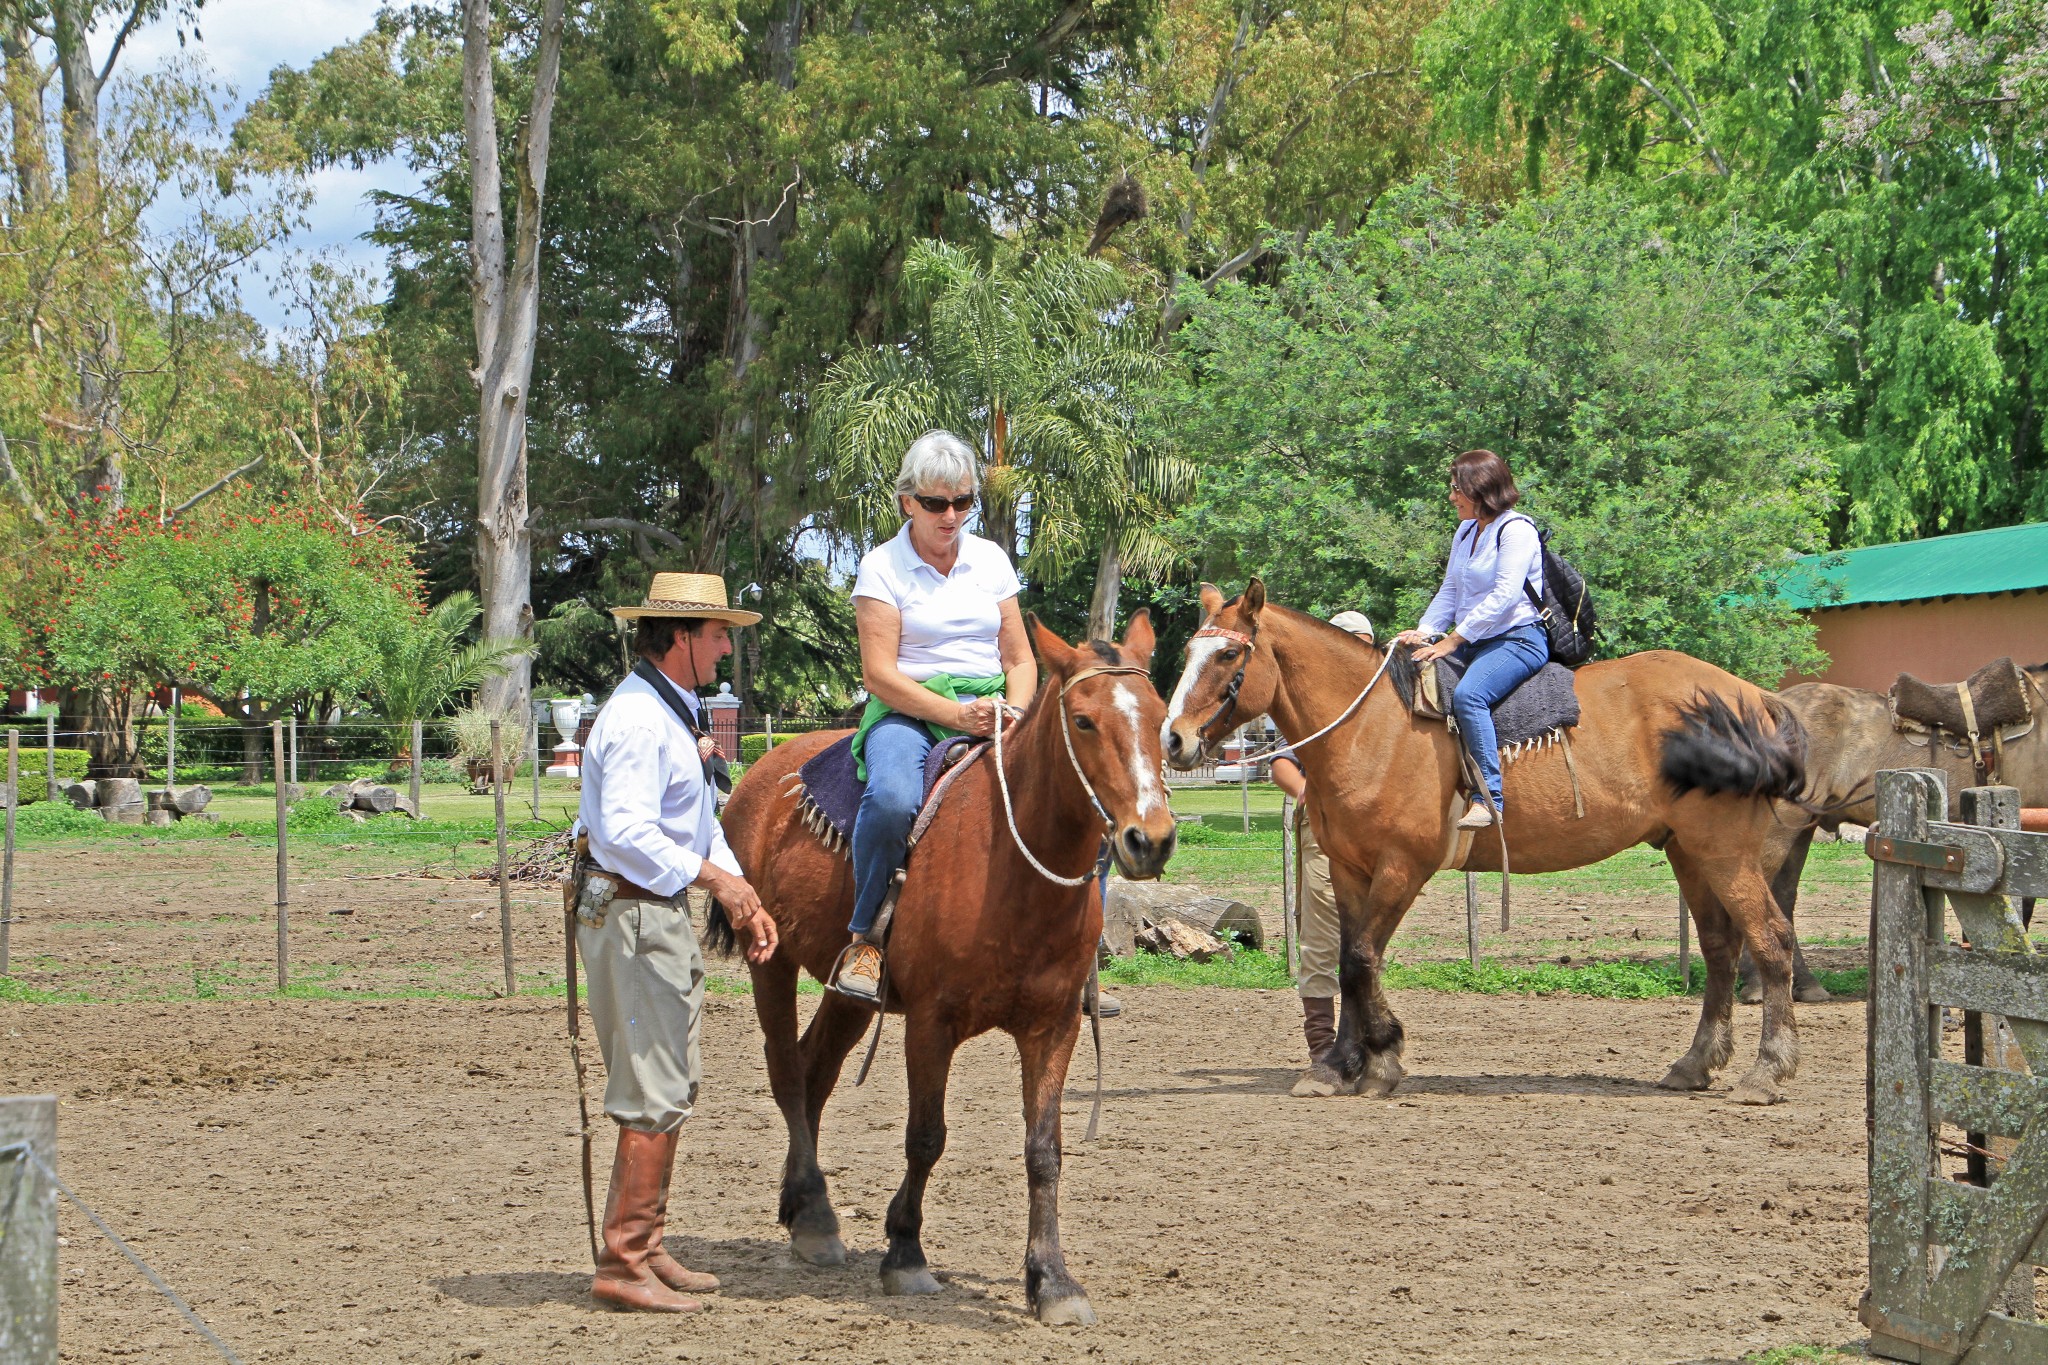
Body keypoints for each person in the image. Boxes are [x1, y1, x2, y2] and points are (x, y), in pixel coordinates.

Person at [574, 571, 780, 1313]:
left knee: (669, 1077)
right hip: (632, 913)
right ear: (682, 638)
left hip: (648, 913)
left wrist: (739, 888)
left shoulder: (665, 708)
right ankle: (624, 1259)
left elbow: (695, 825)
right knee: (654, 1083)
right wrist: (719, 885)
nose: (727, 645)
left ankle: (644, 1245)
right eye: (719, 632)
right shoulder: (637, 721)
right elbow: (623, 833)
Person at [831, 430, 1037, 1002]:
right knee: (894, 797)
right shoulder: (881, 568)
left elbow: (1019, 657)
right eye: (936, 503)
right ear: (907, 502)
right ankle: (866, 938)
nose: (952, 516)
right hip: (911, 708)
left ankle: (1077, 949)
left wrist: (1015, 711)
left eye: (964, 502)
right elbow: (878, 675)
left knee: (1085, 783)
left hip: (996, 705)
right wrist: (954, 713)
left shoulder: (991, 559)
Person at [1393, 449, 1550, 830]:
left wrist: (1452, 641)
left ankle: (1489, 798)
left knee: (1469, 696)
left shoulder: (1517, 531)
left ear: (1480, 489)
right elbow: (1451, 589)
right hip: (1475, 640)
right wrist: (1425, 631)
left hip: (1518, 640)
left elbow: (1505, 597)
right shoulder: (1465, 531)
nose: (1451, 497)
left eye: (1456, 488)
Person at [1266, 610, 1374, 1097]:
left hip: (1378, 830)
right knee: (1321, 938)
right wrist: (1316, 795)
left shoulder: (1386, 708)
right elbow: (1282, 766)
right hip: (1324, 829)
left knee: (1366, 943)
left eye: (1362, 643)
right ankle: (1321, 1047)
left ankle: (1366, 1042)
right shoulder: (1313, 710)